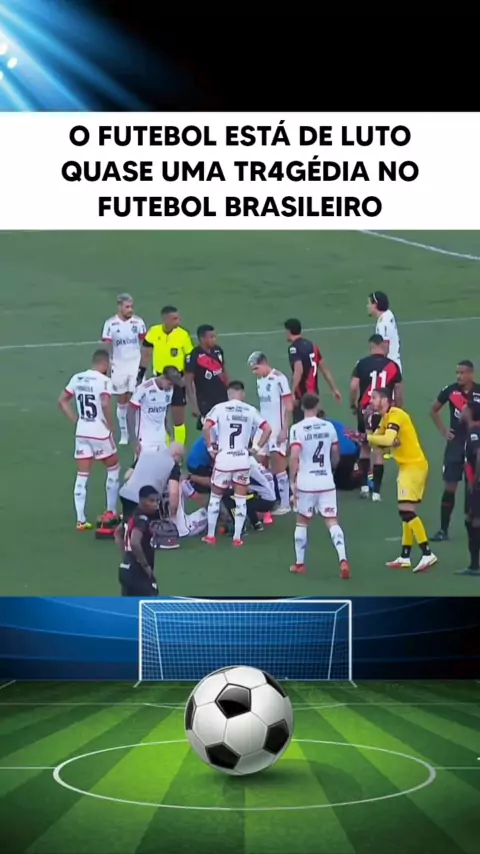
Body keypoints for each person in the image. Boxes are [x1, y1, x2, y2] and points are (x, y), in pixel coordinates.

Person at [367, 389, 437, 572]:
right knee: (406, 513)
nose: (371, 401)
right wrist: (368, 431)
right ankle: (405, 557)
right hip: (408, 467)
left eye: (374, 398)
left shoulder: (396, 415)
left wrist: (368, 437)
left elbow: (387, 439)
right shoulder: (386, 418)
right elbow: (377, 442)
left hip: (414, 467)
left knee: (406, 511)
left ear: (384, 400)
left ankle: (427, 553)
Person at [202, 380, 272, 546]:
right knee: (241, 499)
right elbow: (267, 429)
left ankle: (210, 536)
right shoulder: (250, 410)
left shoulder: (219, 408)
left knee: (215, 497)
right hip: (242, 459)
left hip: (224, 459)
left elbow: (206, 427)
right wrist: (255, 448)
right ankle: (237, 538)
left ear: (228, 393)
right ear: (243, 394)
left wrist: (210, 447)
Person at [289, 393, 350, 578]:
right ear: (318, 406)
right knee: (332, 520)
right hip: (326, 480)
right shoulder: (328, 426)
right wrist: (331, 468)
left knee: (302, 521)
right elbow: (336, 452)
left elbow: (294, 456)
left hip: (306, 482)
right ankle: (343, 559)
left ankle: (300, 564)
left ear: (302, 407)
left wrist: (292, 480)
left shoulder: (297, 428)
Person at [58, 349, 120, 531]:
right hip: (100, 432)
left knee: (82, 475)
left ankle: (81, 520)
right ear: (105, 363)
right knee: (113, 468)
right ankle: (111, 511)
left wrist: (76, 420)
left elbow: (62, 401)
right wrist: (111, 426)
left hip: (82, 432)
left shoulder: (77, 378)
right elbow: (105, 403)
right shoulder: (104, 381)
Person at [430, 360, 480, 541]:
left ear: (471, 374)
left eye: (463, 372)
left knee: (472, 487)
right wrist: (444, 431)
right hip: (455, 445)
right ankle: (443, 529)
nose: (459, 376)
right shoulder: (451, 391)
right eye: (457, 373)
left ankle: (472, 526)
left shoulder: (479, 392)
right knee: (450, 487)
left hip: (474, 445)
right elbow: (434, 410)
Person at [350, 334, 403, 501]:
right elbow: (398, 391)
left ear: (371, 345)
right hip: (383, 411)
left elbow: (354, 386)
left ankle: (364, 486)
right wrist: (398, 410)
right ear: (382, 345)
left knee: (364, 446)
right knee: (378, 451)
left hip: (365, 409)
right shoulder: (392, 365)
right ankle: (377, 493)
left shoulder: (362, 363)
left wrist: (353, 404)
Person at [139, 305, 194, 445]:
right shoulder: (154, 332)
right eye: (174, 319)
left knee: (178, 418)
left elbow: (189, 357)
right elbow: (146, 353)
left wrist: (186, 378)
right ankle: (166, 446)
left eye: (178, 318)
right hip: (160, 380)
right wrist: (140, 374)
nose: (178, 321)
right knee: (161, 417)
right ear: (165, 319)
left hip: (177, 379)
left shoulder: (183, 334)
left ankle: (179, 449)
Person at [248, 351, 293, 515]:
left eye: (256, 368)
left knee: (278, 467)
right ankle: (268, 499)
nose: (254, 373)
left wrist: (285, 430)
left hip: (277, 430)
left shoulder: (279, 379)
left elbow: (289, 406)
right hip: (263, 429)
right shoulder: (259, 380)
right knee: (257, 463)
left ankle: (285, 504)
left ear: (264, 363)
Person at [101, 294, 146, 444]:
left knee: (136, 398)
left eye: (131, 306)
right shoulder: (110, 324)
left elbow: (145, 344)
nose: (130, 310)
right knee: (122, 400)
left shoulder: (138, 322)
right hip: (118, 366)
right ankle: (124, 434)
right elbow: (107, 345)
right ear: (119, 306)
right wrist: (108, 364)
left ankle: (137, 431)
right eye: (127, 307)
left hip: (135, 365)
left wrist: (144, 363)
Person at [284, 318, 341, 423]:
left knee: (302, 425)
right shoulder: (313, 346)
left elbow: (299, 370)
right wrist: (334, 389)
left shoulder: (294, 349)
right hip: (314, 394)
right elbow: (325, 370)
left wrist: (292, 392)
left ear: (288, 331)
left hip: (302, 396)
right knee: (317, 423)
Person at [118, 443, 184, 525]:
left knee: (128, 522)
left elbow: (127, 476)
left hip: (125, 494)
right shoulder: (173, 464)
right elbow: (174, 493)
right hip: (143, 499)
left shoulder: (146, 454)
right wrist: (173, 515)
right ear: (176, 455)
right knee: (147, 526)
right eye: (181, 458)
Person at [117, 485, 161, 596]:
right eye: (151, 501)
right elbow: (134, 542)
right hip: (138, 572)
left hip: (125, 568)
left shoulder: (130, 515)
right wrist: (145, 566)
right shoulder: (142, 519)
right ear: (142, 501)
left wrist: (127, 554)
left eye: (157, 501)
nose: (155, 504)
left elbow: (117, 533)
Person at [129, 366, 183, 454]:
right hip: (145, 439)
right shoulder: (144, 389)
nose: (171, 387)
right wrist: (133, 439)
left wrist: (170, 433)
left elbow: (166, 412)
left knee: (163, 461)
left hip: (161, 438)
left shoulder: (170, 390)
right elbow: (130, 413)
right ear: (163, 377)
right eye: (169, 384)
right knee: (144, 462)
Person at [185, 324, 229, 429]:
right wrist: (194, 406)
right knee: (209, 430)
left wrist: (229, 390)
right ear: (202, 339)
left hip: (222, 397)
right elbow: (189, 383)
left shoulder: (218, 350)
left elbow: (224, 371)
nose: (214, 339)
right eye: (211, 337)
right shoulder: (194, 355)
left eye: (214, 336)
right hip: (205, 400)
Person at [456, 401, 480, 576]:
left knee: (476, 521)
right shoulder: (472, 431)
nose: (461, 410)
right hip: (473, 484)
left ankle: (475, 566)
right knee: (470, 519)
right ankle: (474, 564)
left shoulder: (475, 433)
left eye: (464, 408)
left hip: (477, 485)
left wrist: (476, 481)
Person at [320, 411, 361, 491]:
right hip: (351, 455)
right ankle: (357, 469)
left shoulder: (322, 427)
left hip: (340, 457)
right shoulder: (337, 423)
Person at [367, 292, 401, 371]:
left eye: (369, 303)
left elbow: (385, 347)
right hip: (392, 364)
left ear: (375, 305)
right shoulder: (388, 314)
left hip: (389, 366)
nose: (368, 306)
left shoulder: (383, 322)